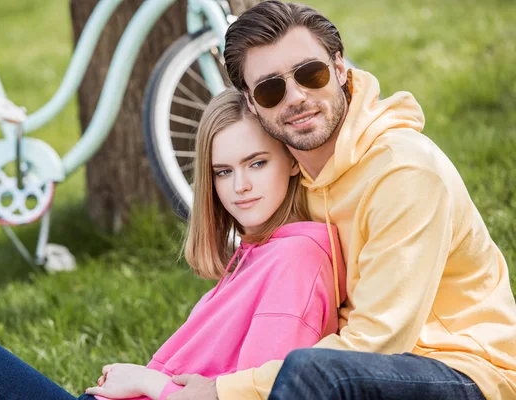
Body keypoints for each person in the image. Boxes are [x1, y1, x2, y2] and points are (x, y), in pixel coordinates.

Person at [166, 1, 516, 399]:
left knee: (311, 372)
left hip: (466, 373)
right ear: (251, 102)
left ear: (339, 67)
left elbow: (378, 342)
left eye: (310, 73)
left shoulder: (403, 172)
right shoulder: (292, 173)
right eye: (270, 88)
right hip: (358, 367)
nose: (295, 97)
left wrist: (221, 390)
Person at [0, 88, 346, 400]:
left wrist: (146, 381)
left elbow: (252, 396)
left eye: (256, 163)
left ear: (292, 160)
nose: (241, 186)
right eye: (223, 172)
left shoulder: (296, 258)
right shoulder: (259, 253)